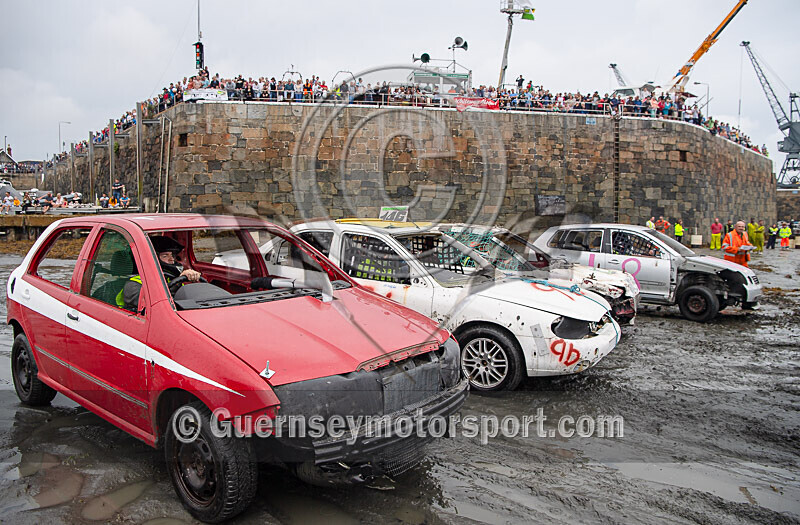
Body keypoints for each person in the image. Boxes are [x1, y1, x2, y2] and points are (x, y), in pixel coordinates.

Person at [119, 235, 202, 311]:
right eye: (165, 256)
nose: (171, 259)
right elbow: (156, 307)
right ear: (152, 258)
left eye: (172, 255)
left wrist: (193, 280)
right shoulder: (133, 285)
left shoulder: (169, 278)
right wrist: (177, 283)